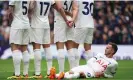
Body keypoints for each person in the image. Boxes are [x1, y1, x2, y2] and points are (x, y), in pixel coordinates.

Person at [29, 0, 72, 78]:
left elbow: (30, 9)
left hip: (36, 24)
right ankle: (49, 72)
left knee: (36, 48)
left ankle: (37, 73)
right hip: (46, 24)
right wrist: (67, 16)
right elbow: (58, 8)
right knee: (47, 47)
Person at [49, 42, 118, 79]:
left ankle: (62, 77)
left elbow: (111, 76)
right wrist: (95, 68)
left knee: (80, 74)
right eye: (106, 47)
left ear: (112, 51)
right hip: (87, 66)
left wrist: (103, 74)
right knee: (71, 71)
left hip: (93, 72)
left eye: (107, 48)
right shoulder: (100, 55)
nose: (105, 49)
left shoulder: (114, 63)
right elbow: (90, 61)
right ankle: (55, 76)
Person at [7, 1, 31, 79]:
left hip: (17, 24)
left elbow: (10, 12)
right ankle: (26, 74)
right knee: (24, 48)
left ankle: (17, 75)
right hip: (26, 24)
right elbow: (30, 8)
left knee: (14, 48)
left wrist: (9, 17)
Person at [54, 0, 78, 73]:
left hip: (60, 20)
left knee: (60, 47)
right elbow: (75, 8)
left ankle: (61, 72)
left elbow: (60, 8)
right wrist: (73, 20)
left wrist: (65, 20)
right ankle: (73, 71)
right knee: (70, 47)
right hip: (70, 20)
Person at [73, 0, 95, 67]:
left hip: (81, 24)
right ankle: (91, 68)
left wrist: (72, 20)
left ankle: (76, 67)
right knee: (88, 48)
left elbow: (75, 9)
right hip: (90, 25)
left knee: (75, 46)